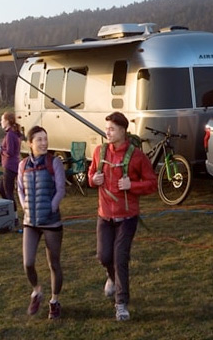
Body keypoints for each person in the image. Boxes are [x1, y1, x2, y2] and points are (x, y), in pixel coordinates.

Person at [88, 112, 157, 321]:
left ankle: (121, 304)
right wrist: (94, 179)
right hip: (104, 216)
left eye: (112, 129)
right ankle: (111, 277)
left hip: (127, 218)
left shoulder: (137, 156)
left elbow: (152, 183)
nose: (107, 132)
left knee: (120, 258)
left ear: (123, 131)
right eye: (107, 128)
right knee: (103, 256)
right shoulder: (99, 152)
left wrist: (132, 186)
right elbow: (91, 177)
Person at [17, 126, 66, 319]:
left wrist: (52, 208)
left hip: (51, 223)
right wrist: (25, 207)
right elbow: (20, 189)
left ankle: (54, 301)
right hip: (30, 222)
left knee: (53, 263)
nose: (44, 143)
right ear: (30, 143)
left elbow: (61, 189)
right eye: (39, 139)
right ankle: (36, 291)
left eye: (45, 139)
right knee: (28, 263)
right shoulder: (23, 165)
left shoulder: (54, 163)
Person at [0, 111, 22, 227]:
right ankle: (10, 213)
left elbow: (10, 152)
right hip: (10, 165)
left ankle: (15, 217)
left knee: (8, 192)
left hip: (10, 166)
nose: (1, 122)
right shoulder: (12, 133)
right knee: (2, 190)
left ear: (7, 121)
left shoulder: (10, 135)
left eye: (2, 120)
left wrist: (0, 150)